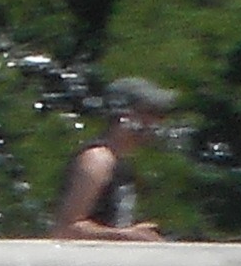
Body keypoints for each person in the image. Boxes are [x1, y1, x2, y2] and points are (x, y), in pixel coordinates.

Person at [52, 85, 171, 240]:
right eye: (150, 113)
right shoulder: (98, 159)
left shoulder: (121, 163)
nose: (156, 122)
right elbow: (66, 229)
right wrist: (127, 236)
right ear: (124, 118)